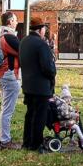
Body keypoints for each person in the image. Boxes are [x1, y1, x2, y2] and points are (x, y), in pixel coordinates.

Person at [20, 17, 57, 152]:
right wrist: (53, 74)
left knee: (30, 115)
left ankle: (27, 143)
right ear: (41, 29)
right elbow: (48, 67)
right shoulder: (41, 44)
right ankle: (36, 144)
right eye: (44, 29)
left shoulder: (23, 42)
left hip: (28, 85)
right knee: (40, 117)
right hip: (41, 88)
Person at [0, 12, 22, 150]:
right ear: (10, 21)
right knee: (7, 111)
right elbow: (24, 51)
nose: (17, 22)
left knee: (5, 109)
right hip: (9, 75)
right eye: (15, 20)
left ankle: (4, 140)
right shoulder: (9, 37)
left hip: (1, 74)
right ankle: (5, 141)